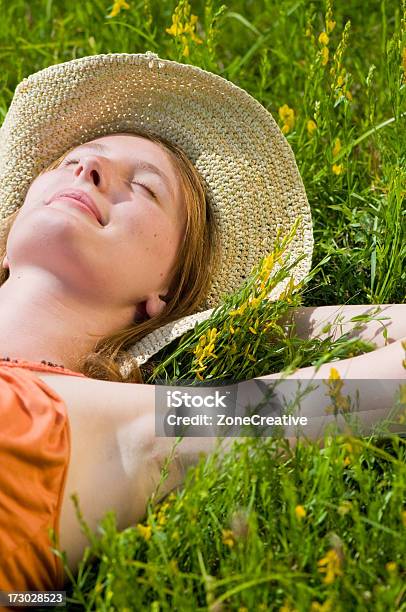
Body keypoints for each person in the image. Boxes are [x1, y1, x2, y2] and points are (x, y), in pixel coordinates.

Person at [0, 53, 404, 591]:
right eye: (73, 160)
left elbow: (373, 388)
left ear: (162, 291)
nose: (87, 170)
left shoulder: (133, 429)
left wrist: (249, 323)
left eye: (143, 187)